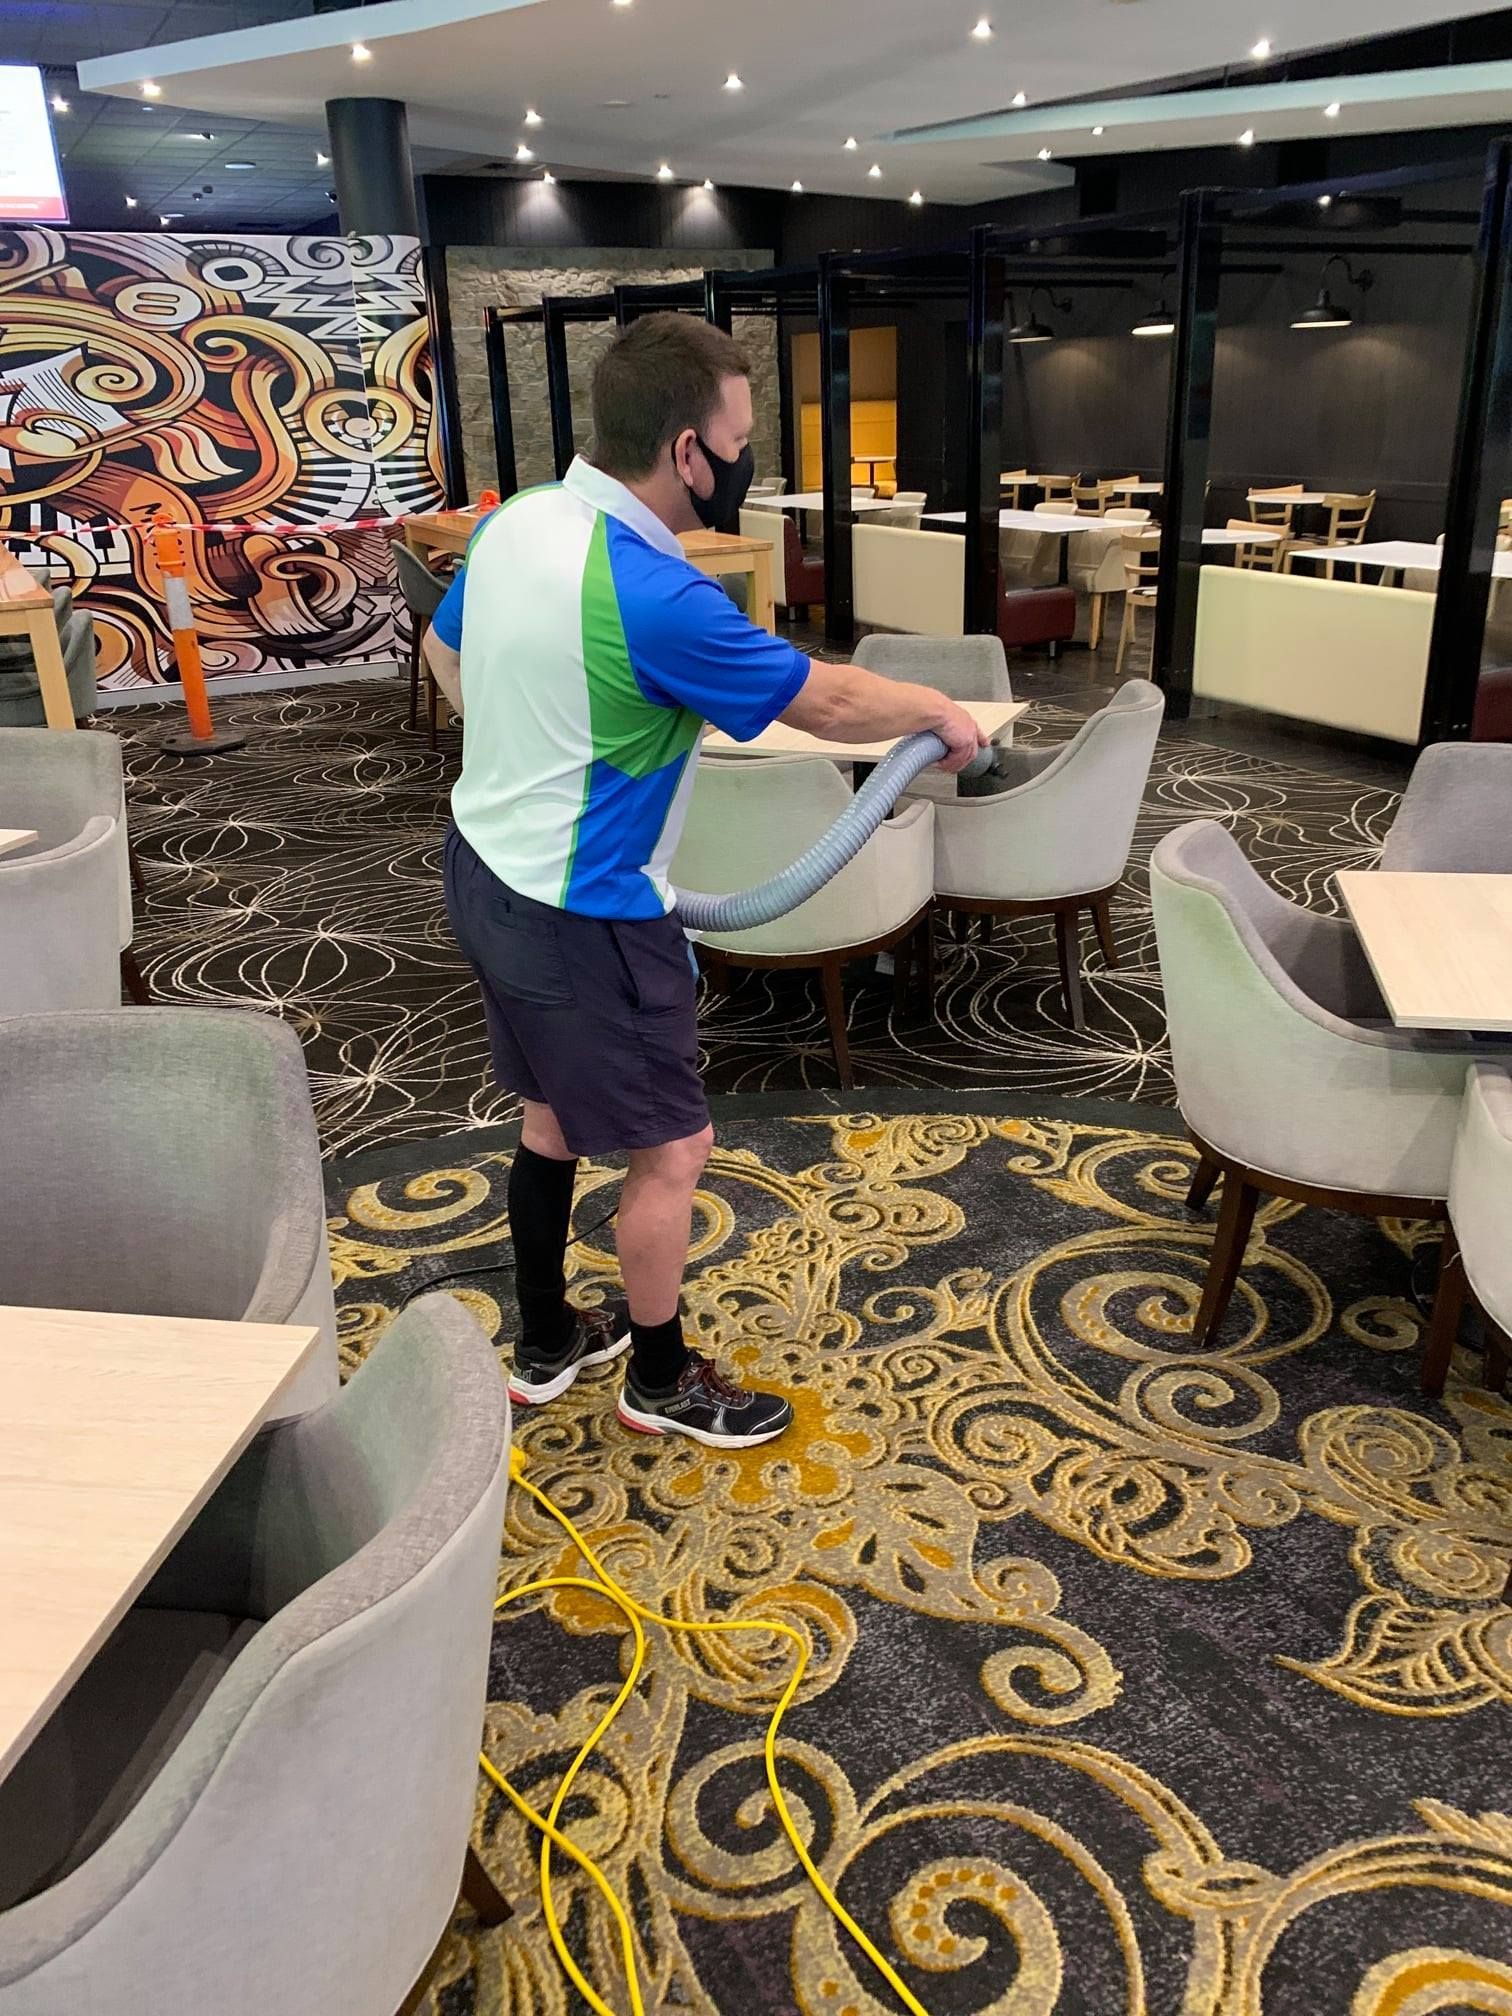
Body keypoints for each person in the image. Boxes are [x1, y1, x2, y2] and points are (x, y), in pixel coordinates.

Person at [425, 312, 982, 1450]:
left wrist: (533, 757)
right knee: (672, 1151)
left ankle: (545, 1341)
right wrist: (936, 712)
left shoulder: (519, 522)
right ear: (688, 451)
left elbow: (447, 650)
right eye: (738, 438)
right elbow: (823, 702)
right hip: (587, 913)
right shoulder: (654, 592)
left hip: (484, 871)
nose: (743, 462)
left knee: (547, 1121)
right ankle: (663, 1380)